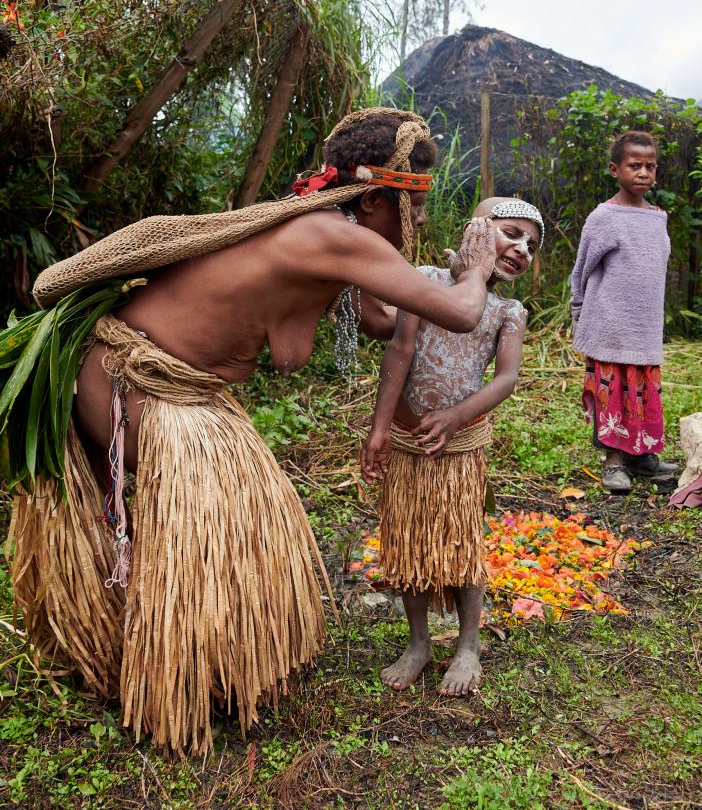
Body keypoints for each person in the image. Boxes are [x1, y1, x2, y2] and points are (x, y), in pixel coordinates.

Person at [8, 108, 499, 756]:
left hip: (161, 384)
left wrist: (428, 274)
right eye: (413, 207)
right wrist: (478, 269)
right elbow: (465, 314)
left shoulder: (327, 234)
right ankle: (171, 689)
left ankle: (181, 663)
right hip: (135, 380)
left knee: (238, 522)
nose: (418, 223)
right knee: (220, 522)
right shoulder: (333, 234)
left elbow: (382, 322)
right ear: (377, 196)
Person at [360, 197, 544, 696]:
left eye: (531, 244)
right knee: (410, 542)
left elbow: (505, 379)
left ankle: (466, 646)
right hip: (407, 444)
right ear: (476, 231)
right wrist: (379, 428)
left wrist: (458, 416)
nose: (522, 248)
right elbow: (398, 349)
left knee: (460, 545)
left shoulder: (508, 311)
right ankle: (418, 643)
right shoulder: (427, 281)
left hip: (459, 449)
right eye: (511, 233)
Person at [571, 130, 679, 494]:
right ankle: (614, 461)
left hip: (644, 325)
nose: (644, 172)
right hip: (610, 323)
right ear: (614, 169)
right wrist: (578, 309)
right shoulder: (605, 217)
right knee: (613, 389)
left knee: (644, 389)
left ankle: (642, 455)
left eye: (650, 166)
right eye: (635, 165)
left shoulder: (657, 217)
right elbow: (582, 268)